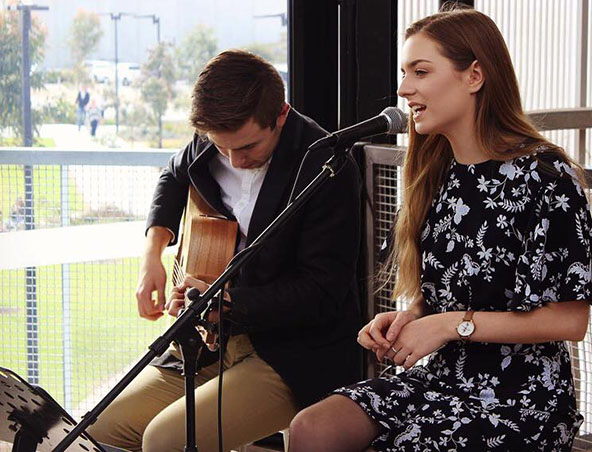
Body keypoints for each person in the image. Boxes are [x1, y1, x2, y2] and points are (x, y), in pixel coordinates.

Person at [289, 6, 592, 452]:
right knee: (312, 428)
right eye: (404, 72)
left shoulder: (547, 179)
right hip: (443, 377)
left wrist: (452, 326)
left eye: (420, 71)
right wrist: (411, 317)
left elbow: (570, 319)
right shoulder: (438, 173)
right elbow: (449, 291)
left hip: (520, 399)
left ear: (474, 76)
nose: (403, 88)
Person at [88, 49, 362, 451]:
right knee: (99, 430)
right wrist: (153, 256)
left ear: (281, 114)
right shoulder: (212, 141)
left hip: (290, 354)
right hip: (208, 345)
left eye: (249, 147)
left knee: (165, 441)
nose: (234, 160)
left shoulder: (327, 166)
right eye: (221, 148)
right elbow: (173, 174)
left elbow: (322, 292)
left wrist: (227, 302)